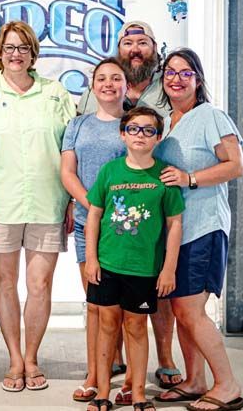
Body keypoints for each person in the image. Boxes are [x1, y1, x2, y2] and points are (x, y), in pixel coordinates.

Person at [0, 20, 75, 392]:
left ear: (33, 53)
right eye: (9, 47)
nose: (16, 54)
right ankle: (14, 359)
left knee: (40, 285)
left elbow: (69, 153)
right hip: (1, 204)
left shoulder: (55, 93)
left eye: (23, 47)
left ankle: (32, 358)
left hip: (49, 203)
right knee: (6, 282)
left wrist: (72, 201)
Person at [78, 20, 183, 395]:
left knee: (155, 304)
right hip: (104, 224)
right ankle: (108, 374)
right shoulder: (94, 96)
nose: (135, 48)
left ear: (155, 47)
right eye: (128, 42)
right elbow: (74, 158)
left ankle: (165, 360)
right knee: (105, 310)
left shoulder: (168, 84)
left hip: (154, 211)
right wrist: (89, 204)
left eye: (143, 42)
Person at [153, 49, 243, 411]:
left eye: (185, 73)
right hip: (174, 232)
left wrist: (190, 178)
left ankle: (227, 384)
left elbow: (236, 165)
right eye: (170, 72)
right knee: (179, 309)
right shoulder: (166, 120)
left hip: (203, 228)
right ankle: (194, 381)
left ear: (198, 80)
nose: (176, 79)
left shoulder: (210, 116)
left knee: (192, 310)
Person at [84, 107, 184, 411]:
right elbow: (94, 216)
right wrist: (91, 258)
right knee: (107, 325)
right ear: (122, 134)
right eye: (134, 129)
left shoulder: (164, 175)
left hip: (144, 269)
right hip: (108, 265)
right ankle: (103, 392)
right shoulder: (110, 171)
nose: (140, 135)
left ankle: (138, 393)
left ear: (159, 136)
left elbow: (175, 224)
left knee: (137, 327)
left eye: (148, 130)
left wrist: (168, 269)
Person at [61, 58, 130, 403]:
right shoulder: (77, 124)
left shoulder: (134, 124)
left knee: (127, 308)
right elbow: (68, 172)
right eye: (101, 78)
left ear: (125, 85)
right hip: (89, 224)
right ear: (92, 85)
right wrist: (91, 204)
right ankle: (93, 373)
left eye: (115, 78)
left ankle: (130, 376)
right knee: (95, 304)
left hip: (127, 228)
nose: (108, 84)